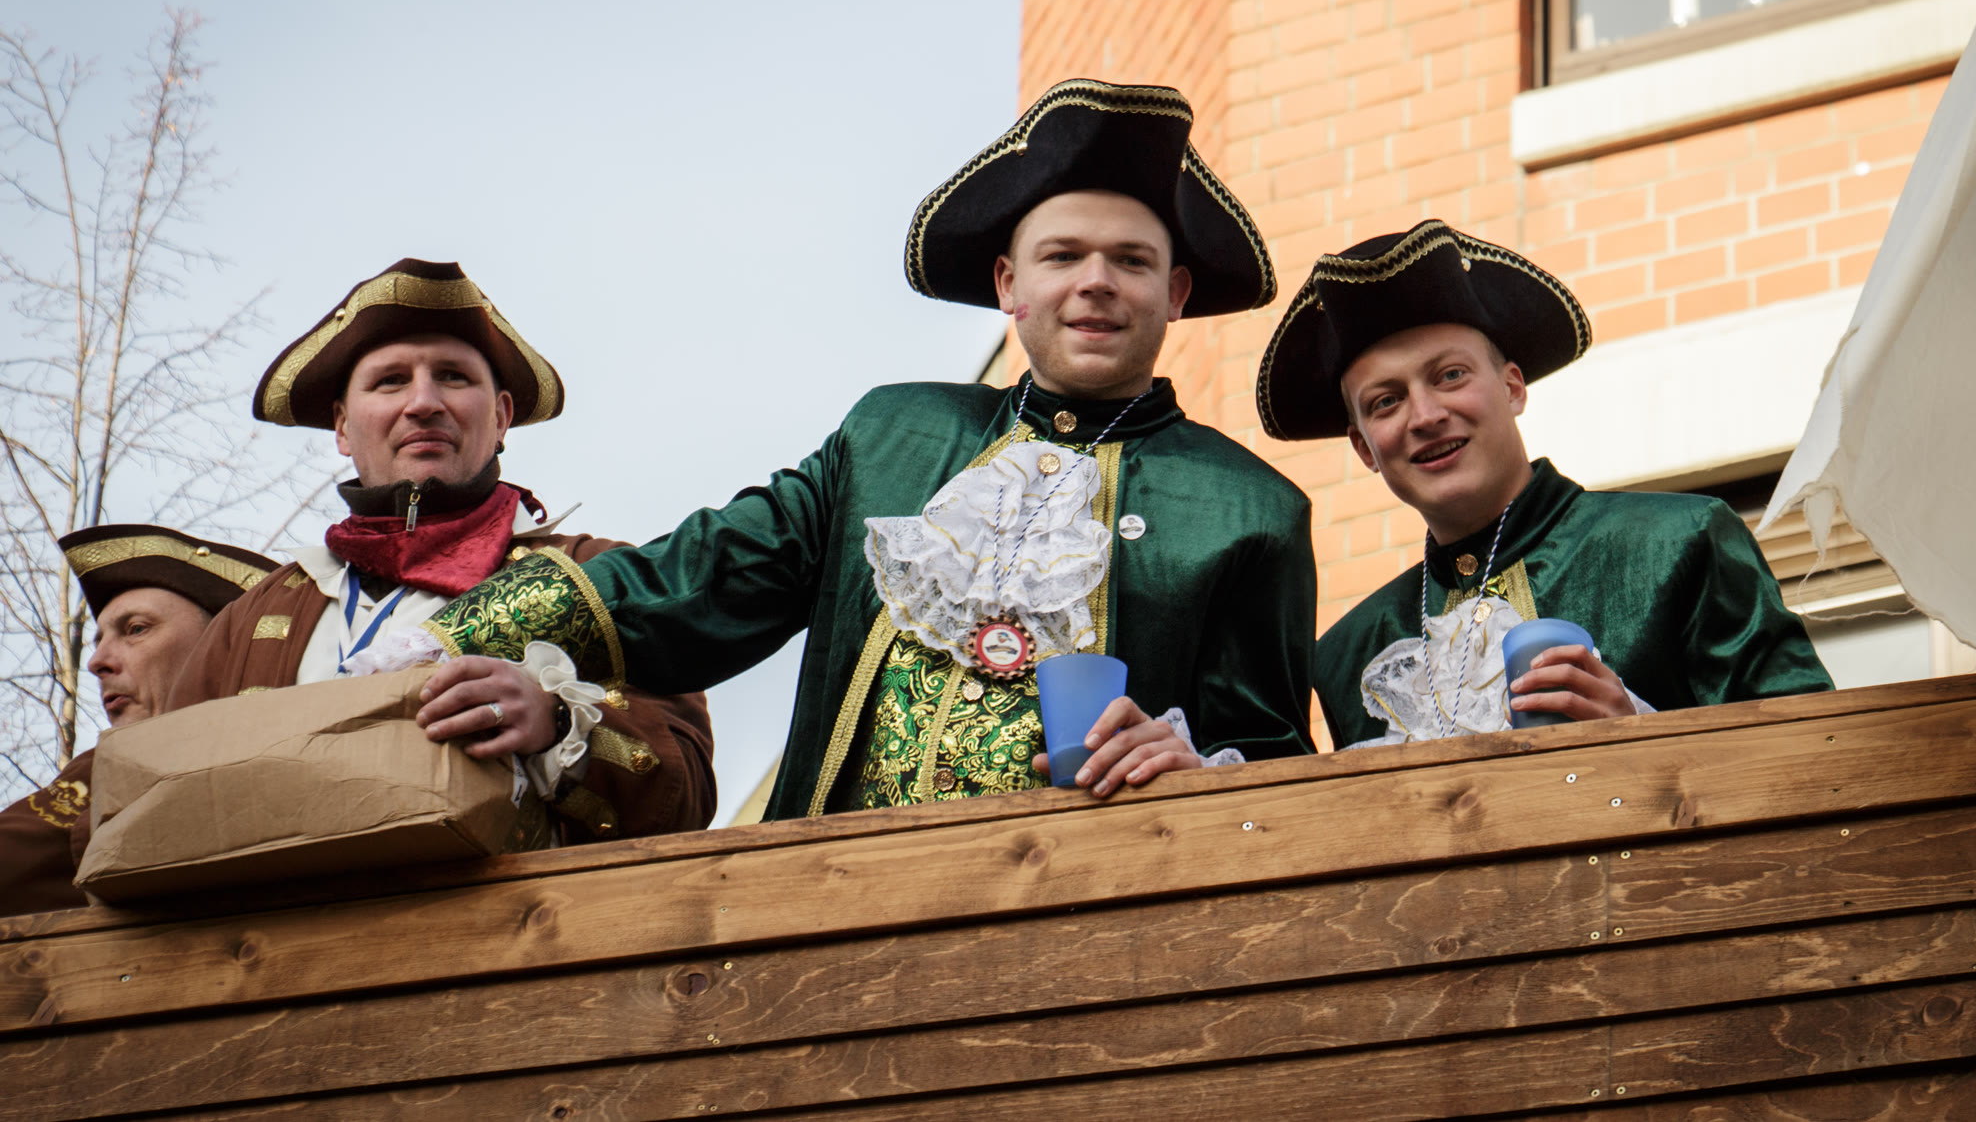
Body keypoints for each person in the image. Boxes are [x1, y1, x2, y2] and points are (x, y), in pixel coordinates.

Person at [377, 79, 1317, 820]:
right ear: (1009, 285)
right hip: (835, 907)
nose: (1097, 281)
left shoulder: (1251, 512)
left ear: (1176, 294)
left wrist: (1203, 773)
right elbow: (710, 572)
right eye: (1063, 255)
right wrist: (456, 636)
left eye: (1133, 260)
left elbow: (1279, 783)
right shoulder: (893, 435)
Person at [165, 258, 716, 842]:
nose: (423, 401)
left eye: (453, 376)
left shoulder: (595, 572)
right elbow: (162, 805)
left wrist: (555, 723)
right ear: (343, 428)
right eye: (390, 381)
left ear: (500, 417)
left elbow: (687, 800)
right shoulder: (250, 618)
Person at [1256, 219, 1832, 748]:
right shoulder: (1349, 656)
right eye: (1386, 402)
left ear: (1512, 388)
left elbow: (1815, 757)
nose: (1425, 415)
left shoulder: (1681, 542)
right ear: (1365, 448)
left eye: (1450, 375)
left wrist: (1640, 738)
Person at [0, 525, 275, 917]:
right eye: (99, 642)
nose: (97, 662)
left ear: (219, 647)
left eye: (136, 629)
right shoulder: (102, 771)